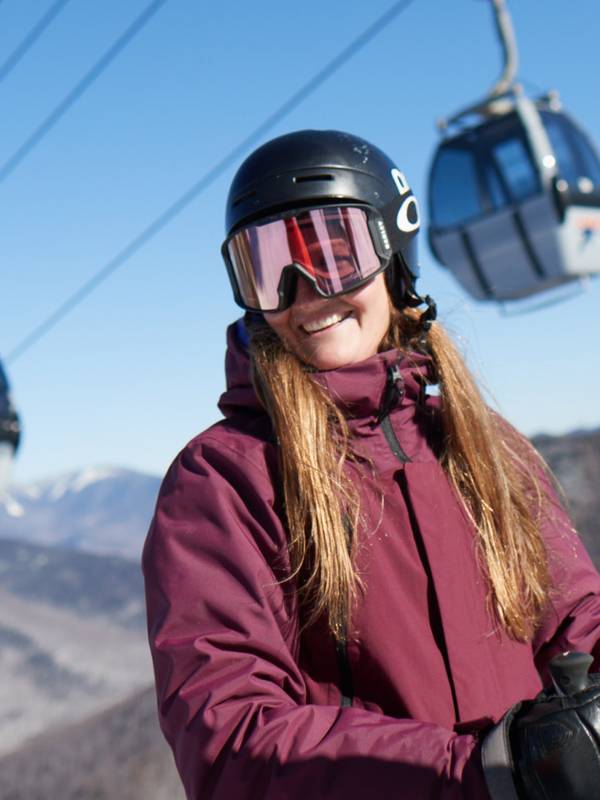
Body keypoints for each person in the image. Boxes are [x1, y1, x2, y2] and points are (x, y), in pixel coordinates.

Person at [142, 129, 600, 799]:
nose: (304, 293)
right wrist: (488, 771)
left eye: (333, 251)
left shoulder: (484, 445)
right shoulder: (226, 481)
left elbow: (576, 620)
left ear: (393, 251)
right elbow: (233, 737)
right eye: (267, 267)